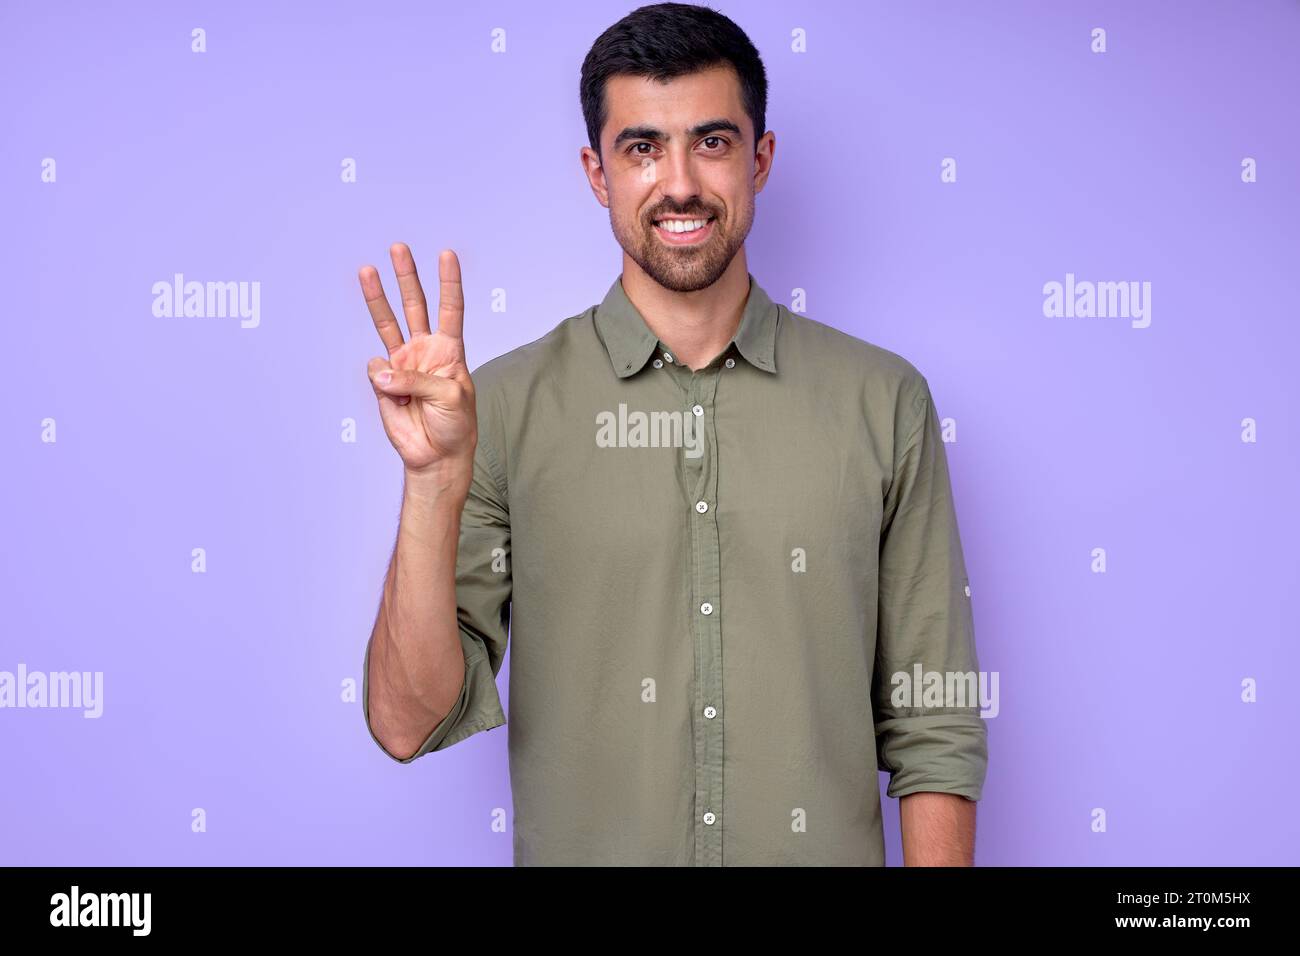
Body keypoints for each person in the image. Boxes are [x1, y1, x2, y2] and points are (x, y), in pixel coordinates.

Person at [358, 1, 987, 866]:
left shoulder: (885, 403)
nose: (681, 182)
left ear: (760, 159)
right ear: (596, 171)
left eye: (713, 141)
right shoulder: (498, 410)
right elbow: (405, 721)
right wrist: (431, 483)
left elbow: (936, 725)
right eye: (643, 147)